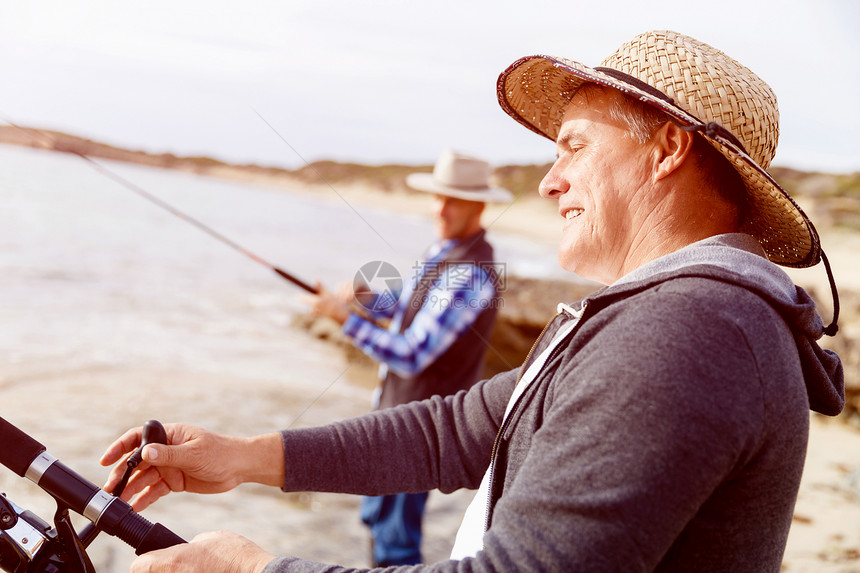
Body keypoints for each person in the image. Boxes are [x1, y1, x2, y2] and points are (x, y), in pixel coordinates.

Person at [102, 30, 844, 572]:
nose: (551, 180)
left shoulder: (688, 331)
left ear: (669, 149)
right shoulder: (677, 316)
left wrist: (252, 568)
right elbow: (455, 429)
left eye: (574, 145)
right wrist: (246, 456)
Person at [300, 148, 513, 566]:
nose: (441, 208)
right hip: (395, 415)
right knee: (379, 521)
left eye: (453, 199)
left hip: (421, 431)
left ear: (479, 205)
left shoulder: (469, 274)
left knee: (396, 541)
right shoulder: (442, 251)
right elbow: (406, 303)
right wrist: (367, 300)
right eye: (438, 196)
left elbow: (411, 354)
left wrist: (343, 318)